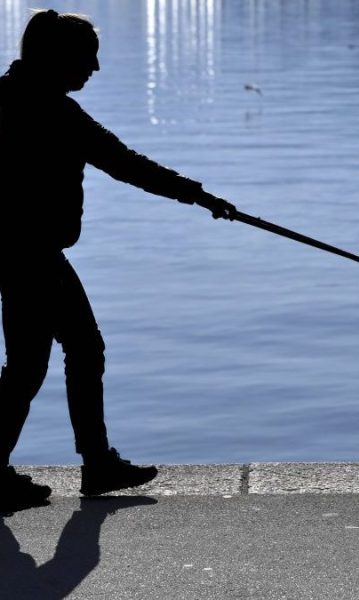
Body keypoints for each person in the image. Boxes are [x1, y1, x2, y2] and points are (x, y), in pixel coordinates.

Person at [0, 9, 236, 512]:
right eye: (89, 58)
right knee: (76, 350)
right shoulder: (52, 111)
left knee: (33, 364)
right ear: (60, 58)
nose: (96, 69)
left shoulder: (10, 98)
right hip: (31, 253)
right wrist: (199, 197)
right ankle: (95, 464)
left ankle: (77, 463)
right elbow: (125, 163)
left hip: (14, 252)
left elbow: (120, 160)